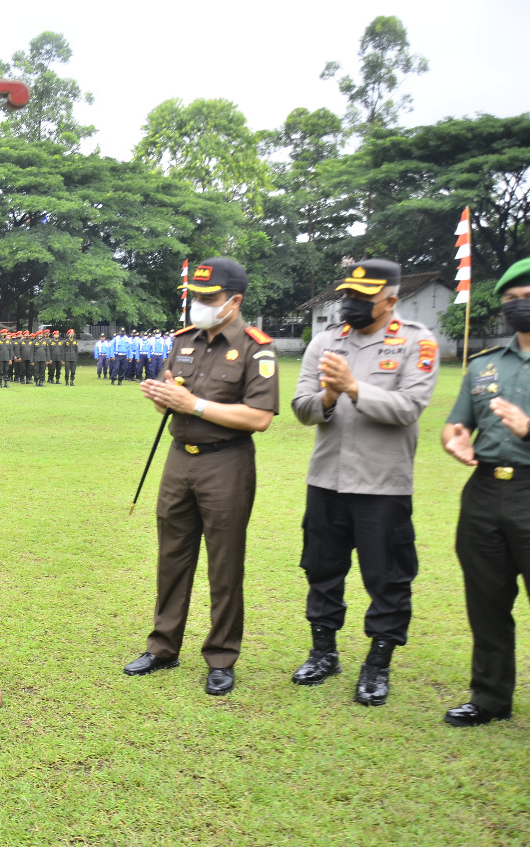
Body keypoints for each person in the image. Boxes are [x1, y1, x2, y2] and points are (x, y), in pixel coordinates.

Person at [124, 257, 279, 696]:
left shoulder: (256, 347)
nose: (200, 305)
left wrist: (192, 405)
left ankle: (222, 656)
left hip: (225, 462)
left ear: (235, 301)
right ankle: (163, 645)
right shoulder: (183, 341)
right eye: (196, 296)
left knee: (225, 563)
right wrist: (163, 397)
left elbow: (260, 416)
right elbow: (172, 400)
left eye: (209, 298)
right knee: (172, 556)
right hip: (180, 459)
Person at [290, 259, 438, 706]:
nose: (351, 303)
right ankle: (323, 652)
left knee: (387, 576)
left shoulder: (416, 341)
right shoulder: (325, 342)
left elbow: (409, 407)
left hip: (383, 485)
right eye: (348, 295)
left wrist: (354, 387)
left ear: (391, 299)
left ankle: (377, 662)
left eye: (363, 297)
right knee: (321, 568)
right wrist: (329, 397)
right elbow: (300, 406)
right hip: (327, 479)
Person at [440, 257, 530, 727]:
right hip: (484, 493)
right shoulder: (484, 365)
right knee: (487, 599)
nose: (520, 307)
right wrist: (454, 437)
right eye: (511, 301)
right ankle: (490, 697)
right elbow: (457, 423)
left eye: (527, 299)